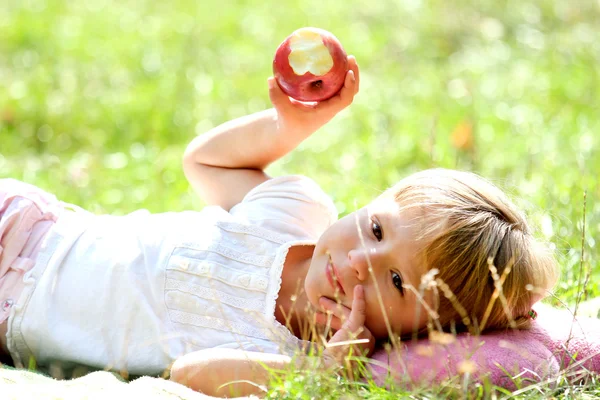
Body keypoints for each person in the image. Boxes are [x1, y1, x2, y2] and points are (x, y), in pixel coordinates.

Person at [0, 56, 558, 397]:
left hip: (12, 328)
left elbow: (187, 373)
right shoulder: (294, 212)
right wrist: (285, 125)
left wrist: (322, 371)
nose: (361, 260)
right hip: (28, 237)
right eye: (377, 230)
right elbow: (205, 162)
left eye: (395, 283)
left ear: (421, 333)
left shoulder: (297, 356)